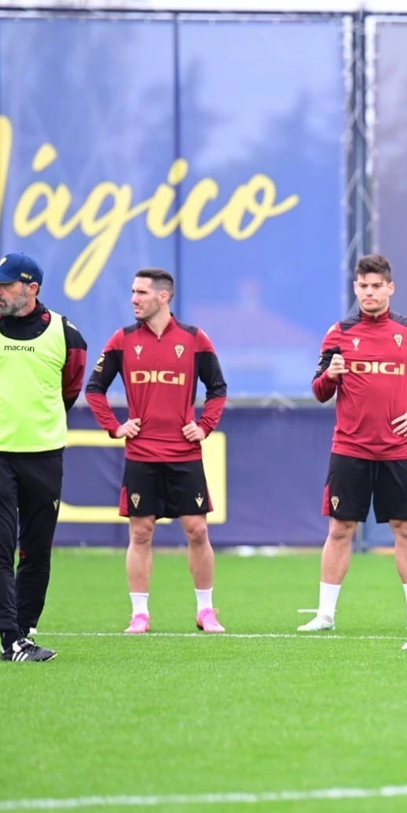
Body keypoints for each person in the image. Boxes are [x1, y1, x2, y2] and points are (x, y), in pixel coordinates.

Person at [299, 254, 407, 633]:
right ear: (356, 288)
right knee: (340, 529)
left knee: (406, 528)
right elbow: (319, 392)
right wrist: (330, 376)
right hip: (350, 449)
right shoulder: (339, 333)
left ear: (390, 288)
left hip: (398, 450)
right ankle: (325, 615)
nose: (369, 292)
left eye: (376, 286)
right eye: (363, 286)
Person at [85, 268, 228, 634]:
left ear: (163, 297)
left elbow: (217, 388)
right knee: (141, 533)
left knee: (197, 531)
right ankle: (140, 615)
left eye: (142, 292)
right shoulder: (123, 339)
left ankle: (206, 611)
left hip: (184, 454)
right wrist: (115, 426)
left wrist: (205, 426)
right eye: (133, 291)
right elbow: (95, 389)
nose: (134, 298)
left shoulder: (195, 339)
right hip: (141, 455)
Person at [0, 253, 87, 662]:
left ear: (32, 289)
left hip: (44, 455)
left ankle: (23, 631)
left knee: (36, 550)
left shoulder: (66, 334)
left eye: (5, 284)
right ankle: (9, 638)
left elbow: (69, 389)